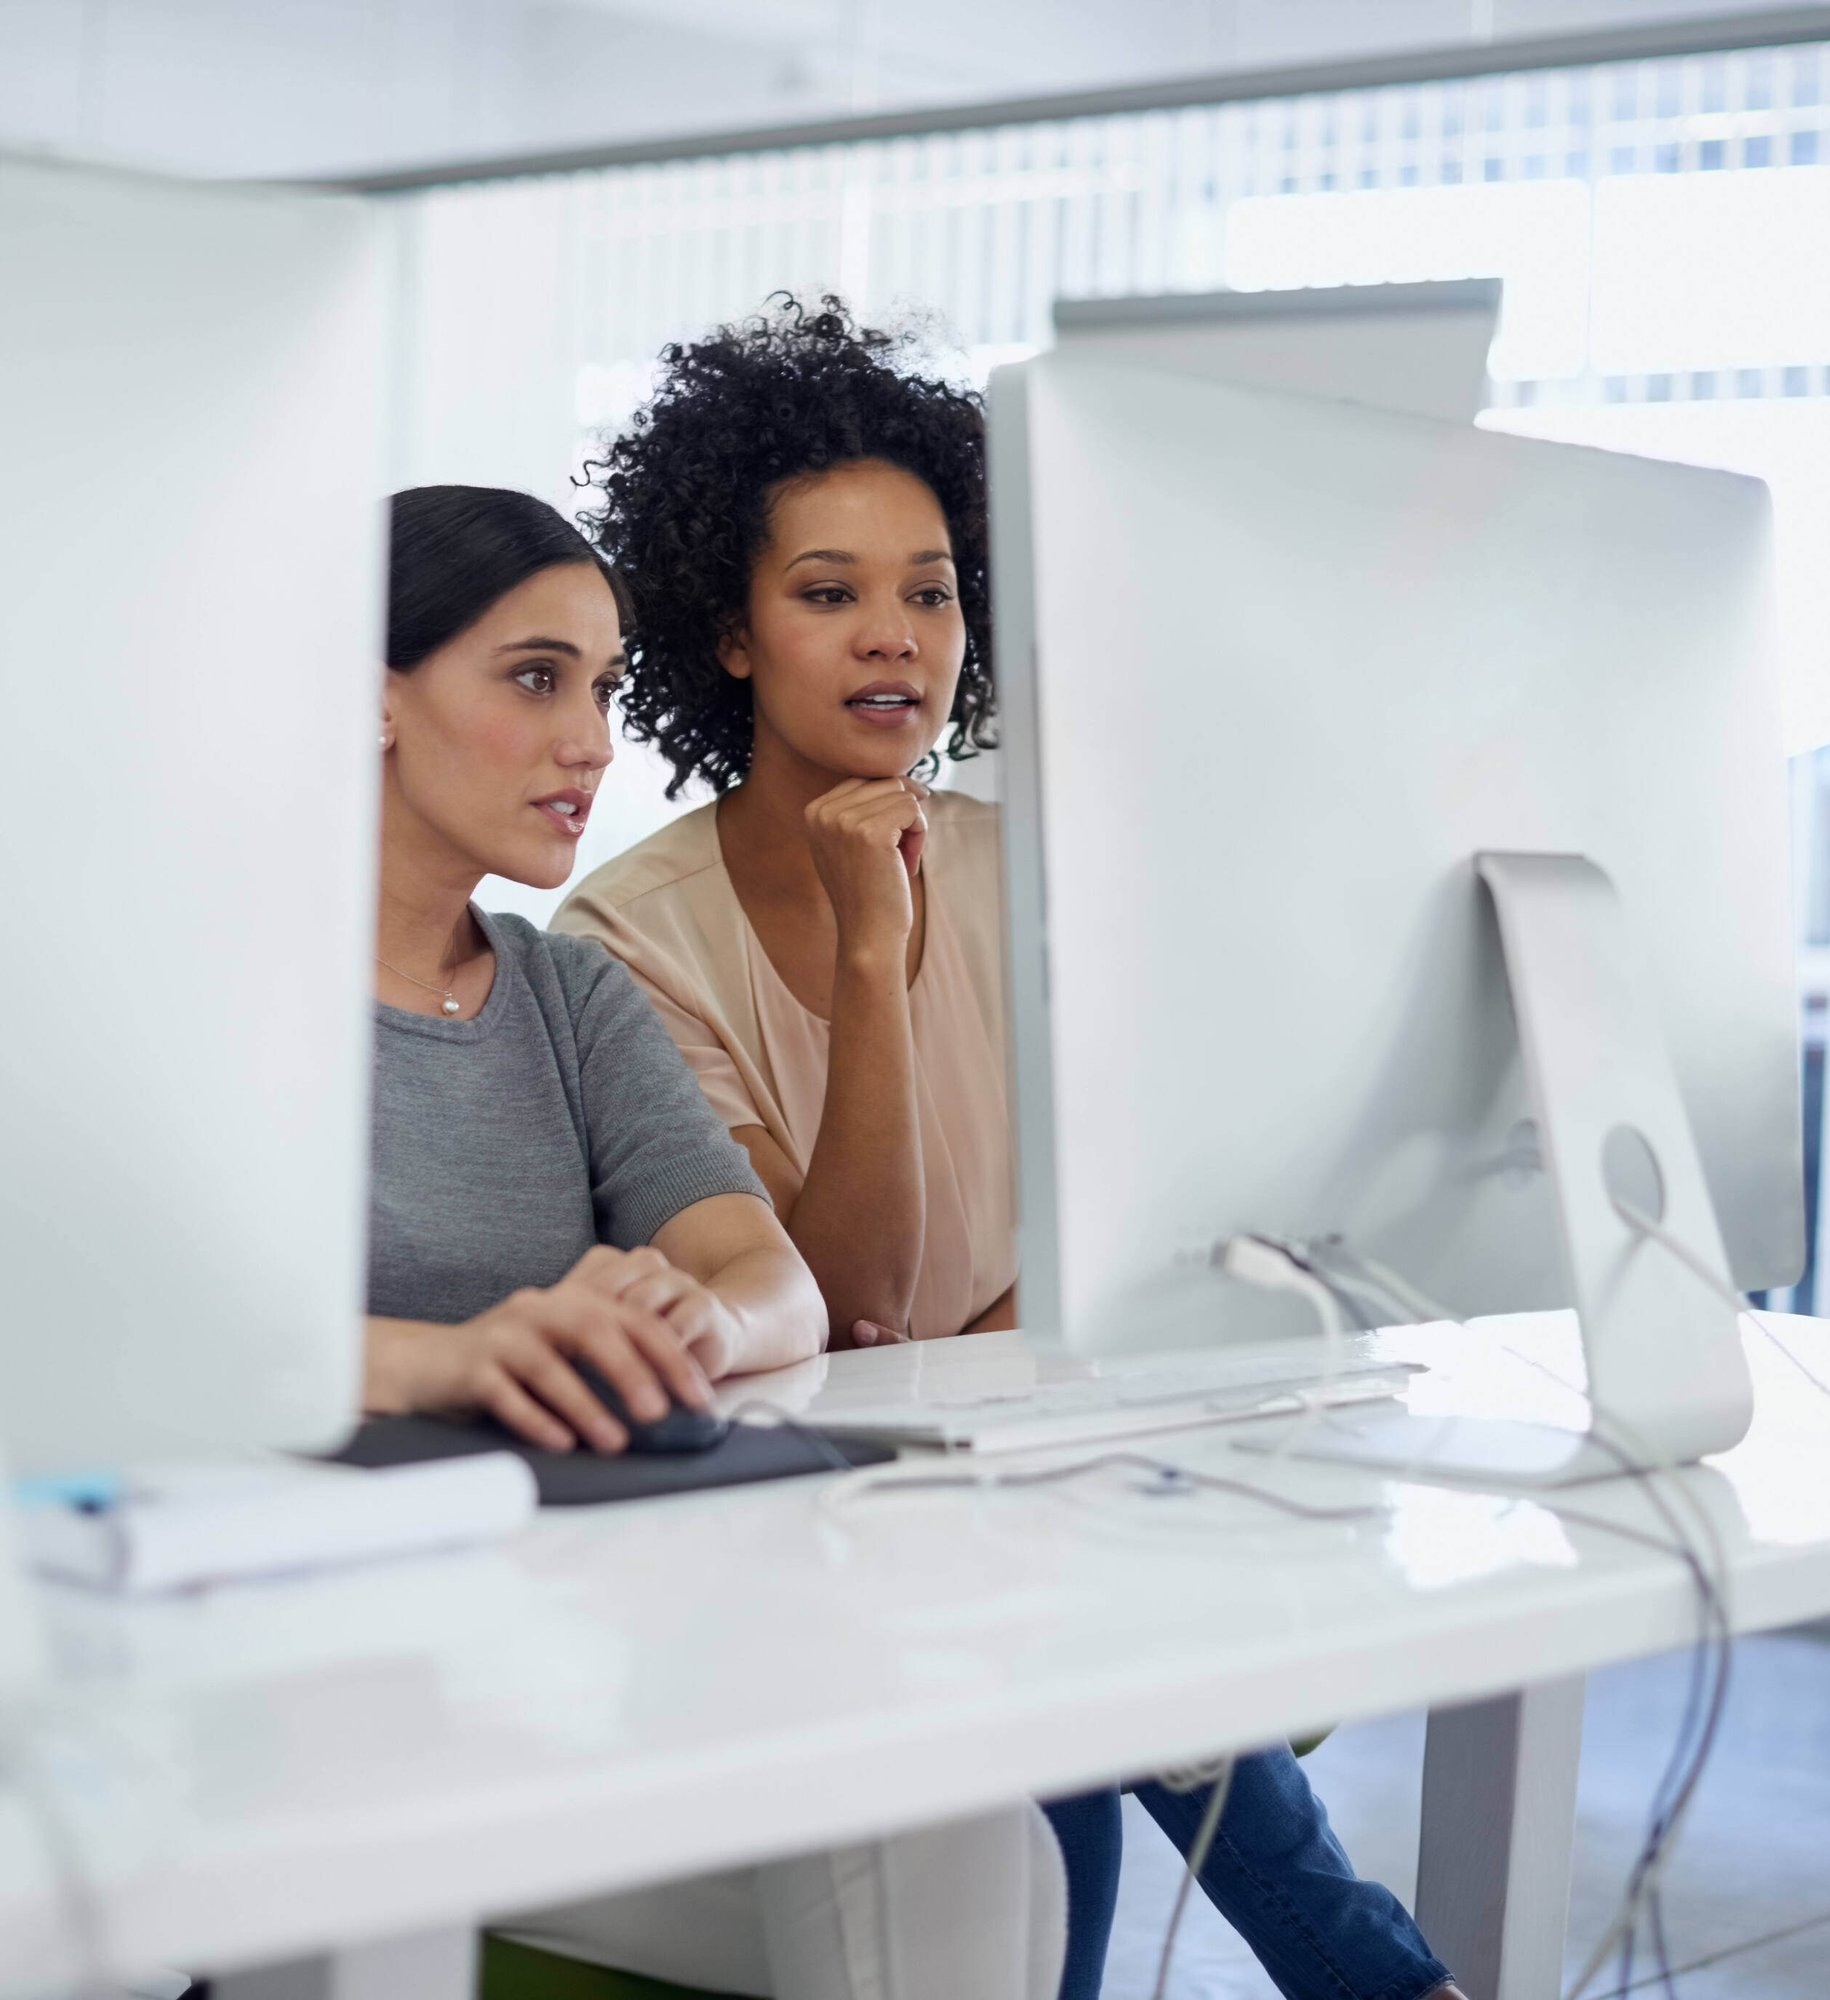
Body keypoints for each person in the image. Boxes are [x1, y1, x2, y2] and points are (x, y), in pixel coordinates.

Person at [555, 301, 1467, 2000]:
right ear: (732, 634)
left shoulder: (1050, 867)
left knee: (1067, 1669)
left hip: (1045, 1481)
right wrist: (861, 950)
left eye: (932, 588)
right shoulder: (629, 944)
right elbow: (841, 1311)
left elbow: (1167, 1207)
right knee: (1092, 1685)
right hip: (800, 1546)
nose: (896, 637)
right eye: (829, 594)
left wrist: (1010, 1340)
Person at [365, 483, 1066, 2000]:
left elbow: (777, 1286)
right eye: (536, 679)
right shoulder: (214, 999)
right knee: (948, 1835)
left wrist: (684, 1320)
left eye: (603, 690)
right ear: (372, 698)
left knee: (989, 1834)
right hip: (334, 1687)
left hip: (575, 1655)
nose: (591, 744)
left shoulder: (562, 998)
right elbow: (107, 1341)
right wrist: (456, 1356)